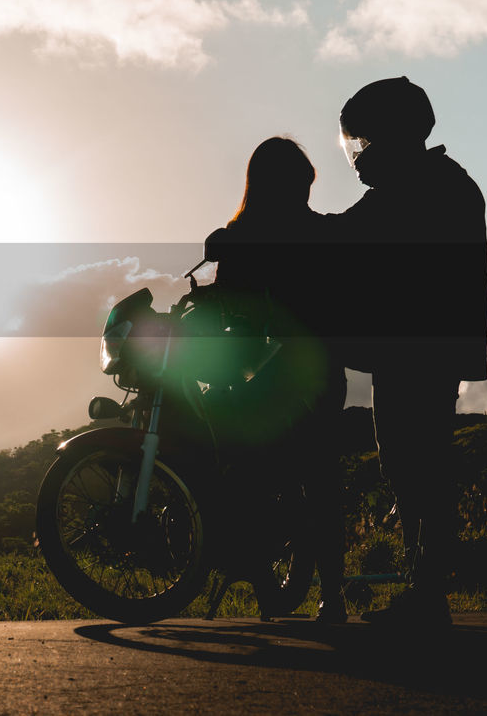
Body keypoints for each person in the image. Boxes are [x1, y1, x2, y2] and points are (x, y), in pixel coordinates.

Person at [332, 77, 487, 627]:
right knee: (408, 463)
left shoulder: (419, 188)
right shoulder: (430, 182)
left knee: (415, 463)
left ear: (393, 135)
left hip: (416, 353)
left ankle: (428, 592)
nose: (359, 155)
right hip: (416, 351)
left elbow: (339, 238)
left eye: (366, 141)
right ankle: (424, 588)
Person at [204, 136, 349, 624]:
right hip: (304, 368)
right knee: (316, 479)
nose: (304, 195)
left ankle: (321, 589)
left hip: (283, 370)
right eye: (298, 184)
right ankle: (328, 594)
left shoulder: (245, 237)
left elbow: (226, 303)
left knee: (279, 475)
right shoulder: (267, 236)